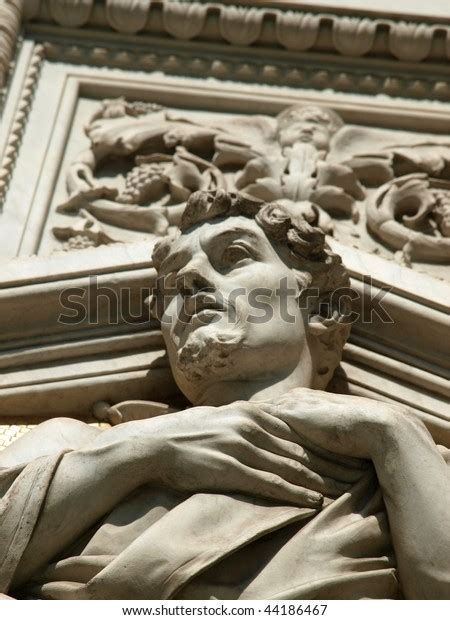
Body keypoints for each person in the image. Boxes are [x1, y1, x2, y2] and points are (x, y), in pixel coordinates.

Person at [0, 190, 449, 599]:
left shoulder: (407, 475)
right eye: (172, 279)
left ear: (321, 309)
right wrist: (140, 453)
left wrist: (393, 434)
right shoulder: (70, 446)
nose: (190, 279)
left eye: (234, 255)